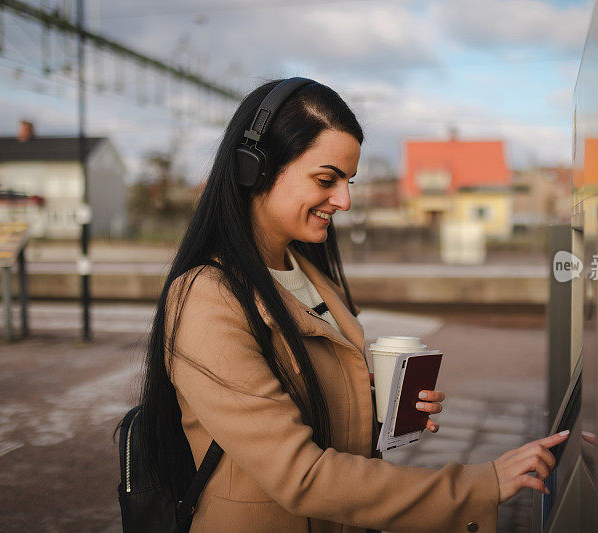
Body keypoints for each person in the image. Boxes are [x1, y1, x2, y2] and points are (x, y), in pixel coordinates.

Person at [137, 78, 569, 533]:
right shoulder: (206, 298)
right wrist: (478, 485)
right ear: (254, 168)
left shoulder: (310, 277)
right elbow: (300, 475)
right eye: (326, 179)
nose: (344, 200)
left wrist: (378, 407)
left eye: (348, 181)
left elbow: (312, 412)